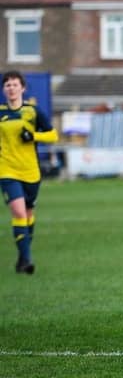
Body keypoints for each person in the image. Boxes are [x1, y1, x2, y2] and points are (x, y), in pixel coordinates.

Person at [0, 70, 59, 274]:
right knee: (18, 211)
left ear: (23, 88)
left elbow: (53, 135)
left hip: (31, 170)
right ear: (4, 89)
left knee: (28, 213)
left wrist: (33, 136)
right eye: (7, 85)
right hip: (7, 169)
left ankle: (22, 255)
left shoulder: (32, 111)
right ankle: (26, 260)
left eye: (15, 84)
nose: (11, 88)